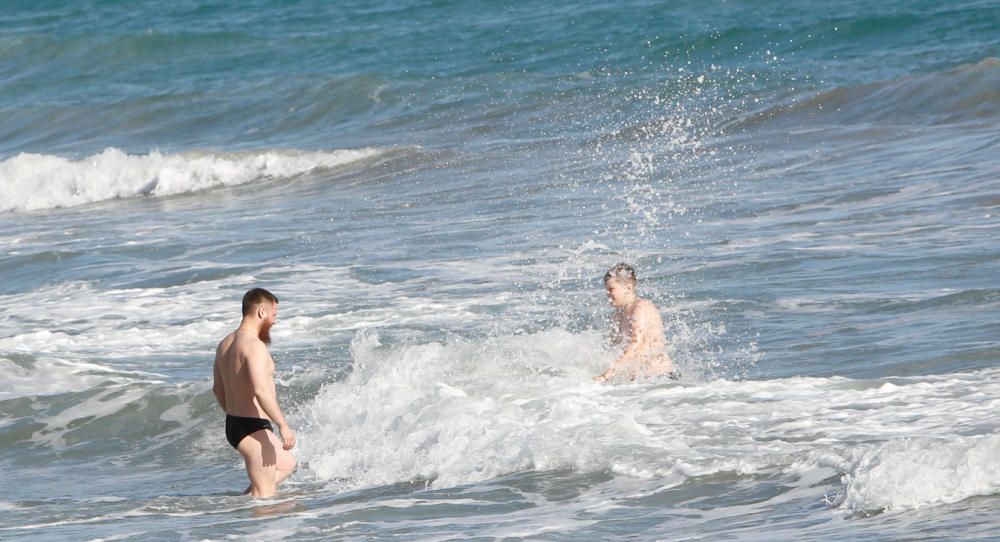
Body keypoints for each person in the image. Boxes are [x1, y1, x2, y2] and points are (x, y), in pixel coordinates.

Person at [213, 288, 297, 498]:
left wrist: (235, 415)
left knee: (287, 464)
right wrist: (283, 426)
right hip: (253, 427)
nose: (274, 321)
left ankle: (237, 504)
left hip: (236, 424)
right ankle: (248, 522)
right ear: (261, 313)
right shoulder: (254, 346)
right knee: (265, 498)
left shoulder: (225, 344)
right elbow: (260, 390)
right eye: (274, 315)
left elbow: (218, 388)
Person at [594, 263, 679, 383]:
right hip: (639, 382)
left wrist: (606, 375)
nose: (607, 293)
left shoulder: (641, 307)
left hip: (661, 378)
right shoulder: (619, 314)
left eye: (611, 289)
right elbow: (612, 347)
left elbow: (635, 345)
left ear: (628, 288)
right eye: (606, 289)